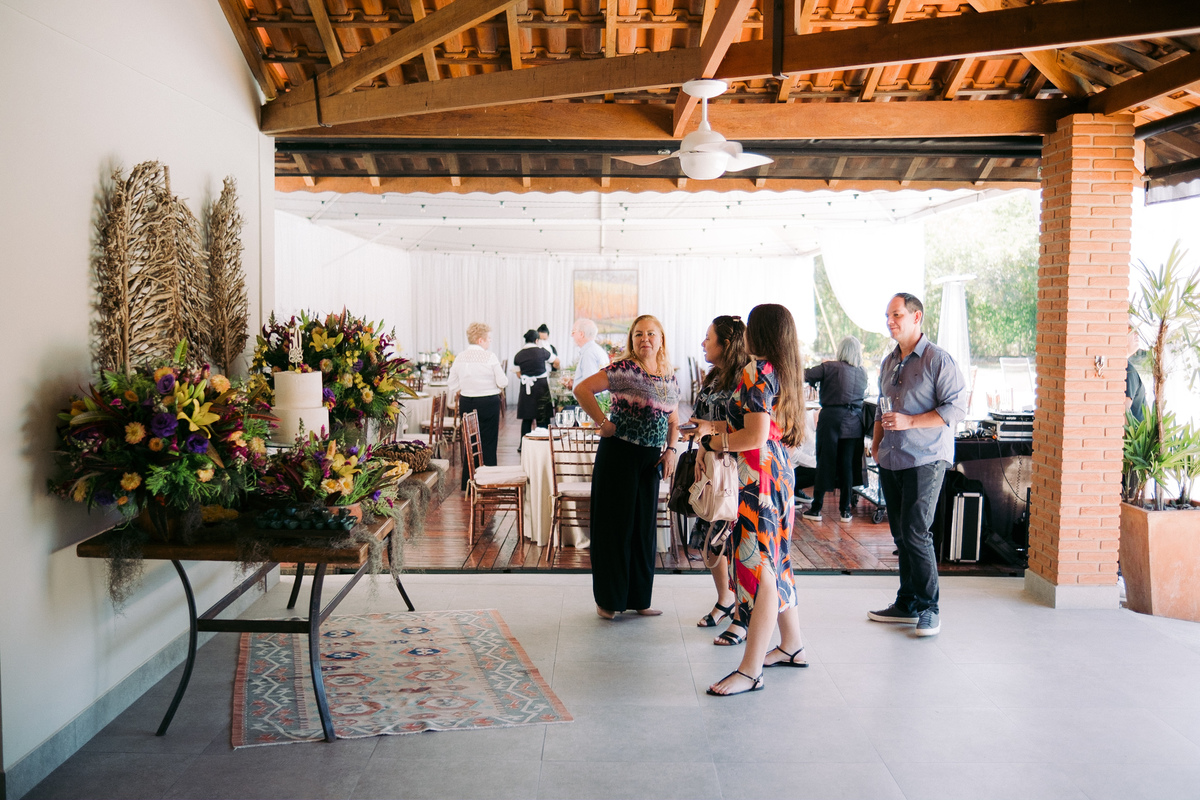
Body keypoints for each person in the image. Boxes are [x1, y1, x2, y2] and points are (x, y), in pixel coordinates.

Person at [695, 304, 808, 697]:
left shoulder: (756, 370)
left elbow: (753, 436)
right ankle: (791, 645)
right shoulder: (785, 370)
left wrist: (713, 442)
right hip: (778, 473)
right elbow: (764, 427)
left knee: (760, 569)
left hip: (756, 478)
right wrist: (718, 429)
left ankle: (750, 669)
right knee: (776, 561)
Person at [869, 293, 967, 637]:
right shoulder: (888, 362)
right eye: (888, 316)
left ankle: (929, 609)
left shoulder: (938, 360)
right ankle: (906, 603)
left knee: (915, 531)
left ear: (916, 317)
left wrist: (910, 422)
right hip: (891, 458)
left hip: (926, 458)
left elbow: (956, 409)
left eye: (896, 315)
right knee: (901, 534)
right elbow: (881, 406)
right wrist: (876, 443)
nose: (890, 321)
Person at [575, 315, 680, 619]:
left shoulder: (669, 376)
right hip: (619, 454)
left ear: (661, 339)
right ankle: (608, 601)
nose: (645, 339)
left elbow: (673, 420)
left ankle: (639, 599)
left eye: (651, 333)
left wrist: (671, 450)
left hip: (651, 461)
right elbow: (581, 390)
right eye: (638, 334)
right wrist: (603, 422)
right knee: (614, 528)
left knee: (643, 530)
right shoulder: (623, 369)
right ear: (632, 340)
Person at [687, 316, 752, 644]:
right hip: (711, 463)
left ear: (726, 344)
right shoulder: (713, 375)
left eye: (708, 338)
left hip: (737, 470)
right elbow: (701, 418)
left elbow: (747, 427)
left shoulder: (745, 377)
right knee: (711, 538)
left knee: (735, 539)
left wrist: (709, 432)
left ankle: (742, 612)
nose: (703, 343)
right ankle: (725, 598)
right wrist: (701, 447)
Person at [803, 336, 868, 523]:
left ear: (841, 350)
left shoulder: (829, 367)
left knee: (824, 461)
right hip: (854, 423)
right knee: (847, 466)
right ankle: (845, 511)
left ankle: (816, 508)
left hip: (831, 420)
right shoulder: (863, 372)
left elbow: (804, 374)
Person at [447, 322, 509, 491]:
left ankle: (468, 481)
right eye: (489, 338)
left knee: (470, 441)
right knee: (488, 441)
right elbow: (503, 381)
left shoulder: (460, 357)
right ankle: (488, 480)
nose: (490, 341)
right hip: (489, 402)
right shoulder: (490, 357)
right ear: (480, 340)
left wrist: (464, 389)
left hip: (467, 402)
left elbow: (451, 383)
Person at [513, 329, 553, 440]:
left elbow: (518, 374)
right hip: (541, 387)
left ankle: (524, 444)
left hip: (526, 388)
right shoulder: (542, 351)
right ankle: (544, 442)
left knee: (527, 418)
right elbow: (556, 361)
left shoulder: (518, 355)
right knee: (542, 416)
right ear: (536, 340)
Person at [564, 318, 609, 389]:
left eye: (573, 332)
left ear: (581, 334)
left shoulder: (588, 354)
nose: (571, 335)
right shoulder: (595, 349)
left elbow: (590, 386)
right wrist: (575, 384)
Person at [1126, 323, 1146, 423]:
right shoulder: (1128, 370)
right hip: (1134, 432)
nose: (1136, 334)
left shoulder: (1127, 367)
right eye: (1131, 329)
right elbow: (1124, 413)